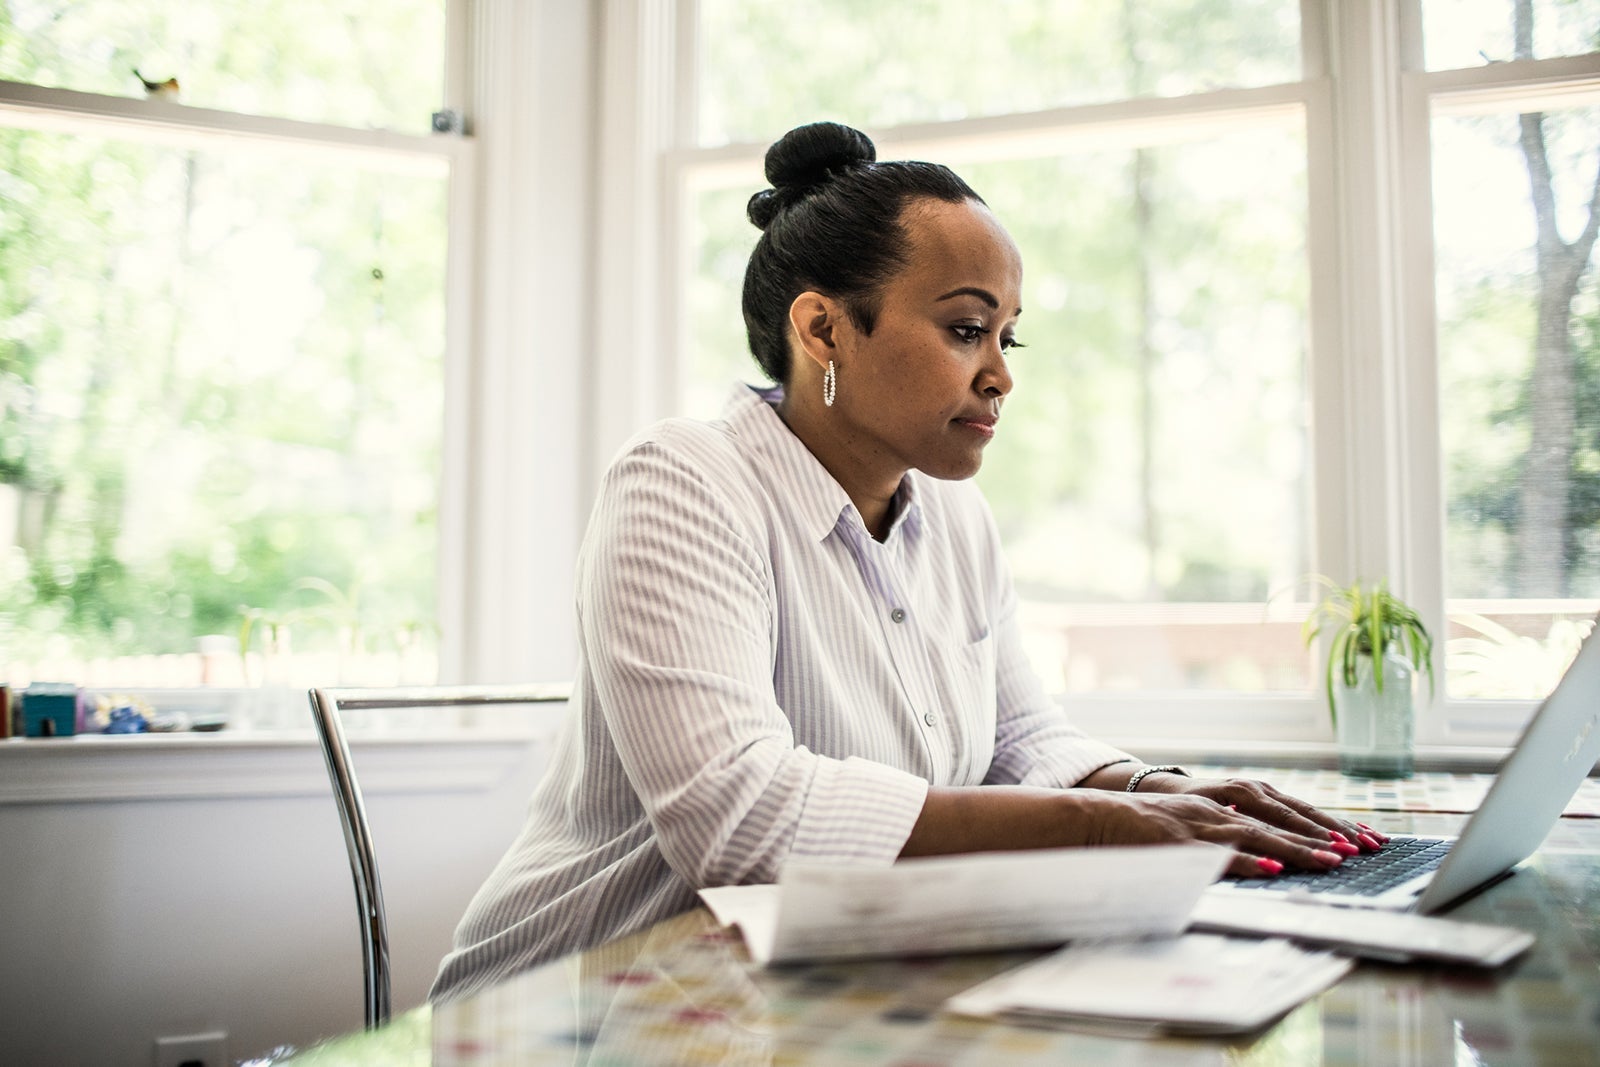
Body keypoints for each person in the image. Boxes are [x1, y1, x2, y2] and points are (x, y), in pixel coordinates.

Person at [430, 121, 1382, 1003]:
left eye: (1008, 336)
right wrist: (1096, 831)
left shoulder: (955, 516)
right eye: (967, 329)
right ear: (823, 330)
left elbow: (1020, 740)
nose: (1002, 371)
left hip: (798, 993)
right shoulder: (681, 482)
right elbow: (740, 820)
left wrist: (1155, 790)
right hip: (579, 1002)